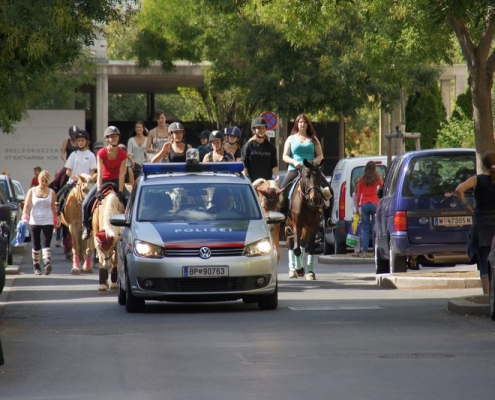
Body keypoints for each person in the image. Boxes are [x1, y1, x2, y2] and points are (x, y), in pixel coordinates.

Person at [281, 113, 331, 279]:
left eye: (304, 122)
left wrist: (315, 162)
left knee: (329, 189)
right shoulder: (290, 138)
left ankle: (329, 218)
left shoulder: (313, 139)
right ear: (297, 124)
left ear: (308, 124)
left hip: (311, 171)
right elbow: (284, 156)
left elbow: (320, 155)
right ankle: (282, 217)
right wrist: (294, 162)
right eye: (299, 122)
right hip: (295, 170)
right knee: (282, 191)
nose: (302, 125)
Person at [455, 150, 495, 294]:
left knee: (484, 261)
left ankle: (487, 295)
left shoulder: (477, 180)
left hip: (482, 226)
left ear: (483, 165)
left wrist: (466, 207)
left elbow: (459, 189)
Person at [81, 126, 128, 240]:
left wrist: (121, 190)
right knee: (85, 203)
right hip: (104, 181)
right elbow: (100, 172)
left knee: (130, 201)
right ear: (107, 139)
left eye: (116, 136)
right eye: (112, 137)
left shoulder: (122, 154)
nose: (115, 139)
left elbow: (122, 173)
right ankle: (86, 228)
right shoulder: (101, 153)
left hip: (117, 181)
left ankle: (129, 229)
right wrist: (98, 189)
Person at [55, 130, 97, 247]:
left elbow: (92, 171)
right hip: (74, 181)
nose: (80, 142)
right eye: (78, 141)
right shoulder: (73, 155)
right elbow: (68, 171)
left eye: (82, 140)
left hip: (87, 183)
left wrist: (87, 179)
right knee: (60, 195)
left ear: (87, 142)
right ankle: (58, 216)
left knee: (97, 197)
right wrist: (74, 177)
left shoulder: (91, 155)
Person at [22, 170, 57, 275]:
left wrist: (55, 221)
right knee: (36, 244)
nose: (44, 183)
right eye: (42, 180)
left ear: (48, 181)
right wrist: (25, 218)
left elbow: (53, 208)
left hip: (48, 220)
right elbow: (27, 206)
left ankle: (47, 263)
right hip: (34, 221)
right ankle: (36, 266)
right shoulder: (32, 191)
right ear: (38, 180)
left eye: (46, 181)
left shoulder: (51, 192)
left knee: (46, 243)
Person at [355, 161, 383, 258]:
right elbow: (382, 188)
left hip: (365, 205)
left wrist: (357, 206)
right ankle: (376, 251)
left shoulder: (361, 180)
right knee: (375, 228)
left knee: (365, 229)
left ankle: (364, 252)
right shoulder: (377, 179)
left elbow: (358, 195)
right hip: (375, 204)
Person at [241, 117, 279, 184]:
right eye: (258, 128)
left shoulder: (271, 147)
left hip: (267, 183)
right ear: (254, 130)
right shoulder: (248, 146)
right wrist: (245, 179)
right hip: (252, 182)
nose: (261, 130)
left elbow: (274, 164)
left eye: (263, 128)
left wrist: (277, 176)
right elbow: (245, 165)